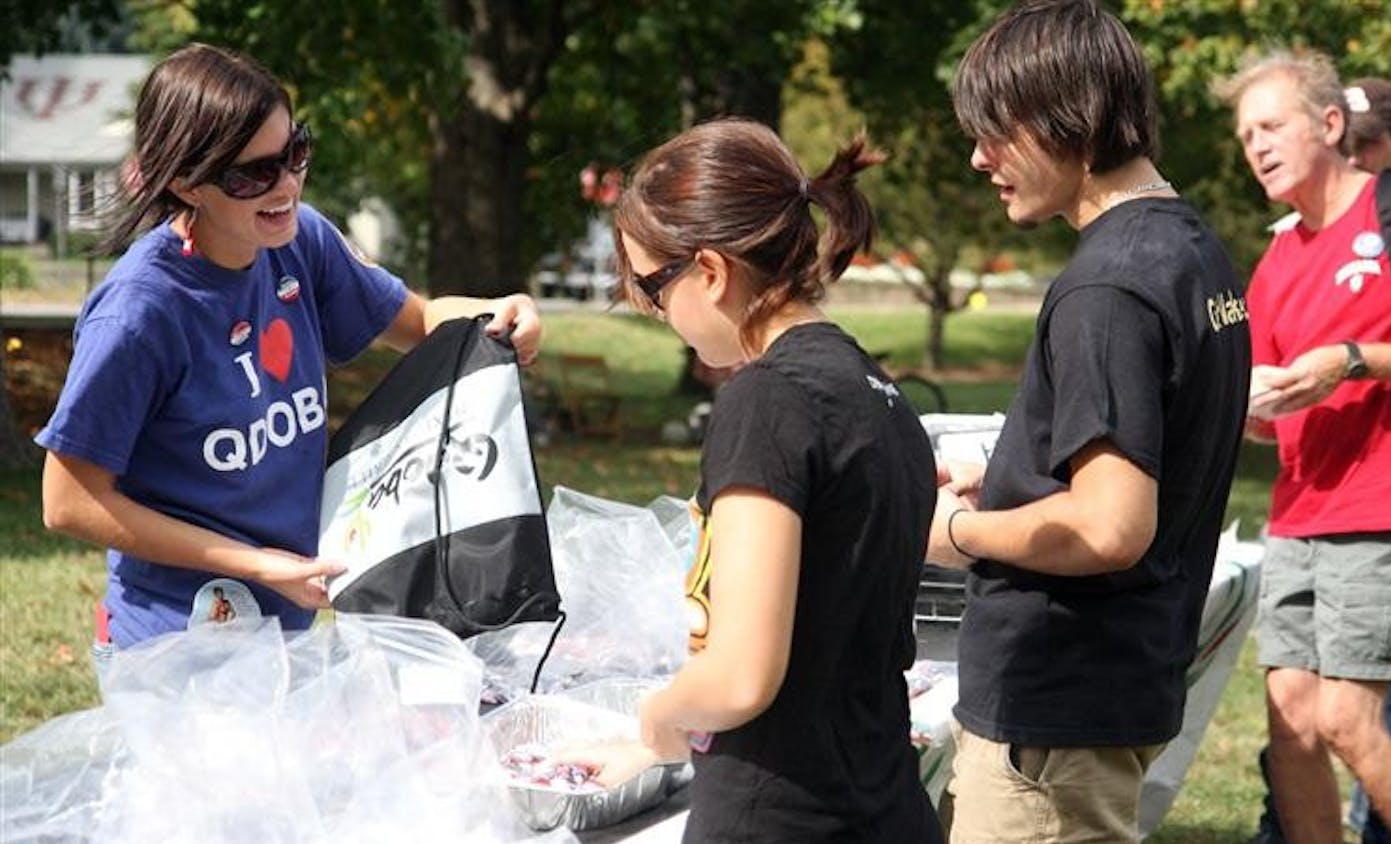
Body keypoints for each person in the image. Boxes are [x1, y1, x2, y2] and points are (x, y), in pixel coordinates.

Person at [37, 43, 542, 654]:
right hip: (172, 640)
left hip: (286, 616)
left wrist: (499, 314)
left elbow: (421, 319)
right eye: (252, 174)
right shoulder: (139, 314)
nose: (286, 186)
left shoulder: (301, 240)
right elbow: (69, 503)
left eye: (295, 153)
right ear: (184, 182)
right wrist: (254, 564)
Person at [924, 2, 1251, 841]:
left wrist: (957, 531)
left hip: (1055, 710)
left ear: (1064, 115)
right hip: (1118, 686)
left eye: (995, 131)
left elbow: (1110, 527)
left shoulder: (1106, 287)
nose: (979, 157)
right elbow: (1147, 455)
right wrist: (1004, 481)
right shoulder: (1189, 249)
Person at [608, 118, 943, 843]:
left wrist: (656, 718)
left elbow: (740, 675)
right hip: (884, 805)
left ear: (710, 271)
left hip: (784, 813)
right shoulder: (879, 393)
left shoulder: (767, 399)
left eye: (652, 288)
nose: (658, 314)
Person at [1217, 47, 1391, 844]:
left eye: (1271, 126)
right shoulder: (1278, 259)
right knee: (1294, 724)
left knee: (1348, 719)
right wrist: (1250, 412)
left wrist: (1352, 359)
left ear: (1331, 124)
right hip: (1301, 511)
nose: (1257, 147)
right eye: (1246, 136)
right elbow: (1278, 402)